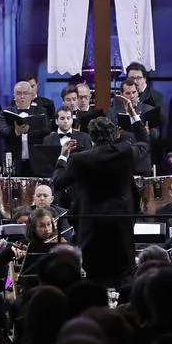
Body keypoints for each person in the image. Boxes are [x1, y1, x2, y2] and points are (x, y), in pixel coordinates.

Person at [53, 116, 137, 286]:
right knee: (124, 274)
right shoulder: (125, 152)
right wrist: (135, 117)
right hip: (121, 221)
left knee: (95, 275)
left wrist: (62, 157)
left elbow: (59, 183)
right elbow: (144, 142)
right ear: (113, 135)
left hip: (91, 224)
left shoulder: (80, 159)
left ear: (91, 136)